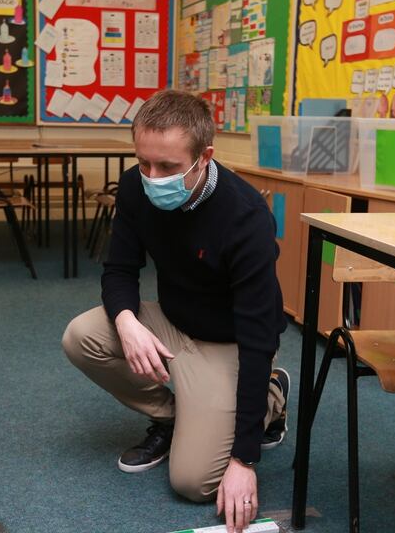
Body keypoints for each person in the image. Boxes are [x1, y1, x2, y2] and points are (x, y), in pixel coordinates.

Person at [62, 90, 289, 533]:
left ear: (204, 157)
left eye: (167, 167)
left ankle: (272, 396)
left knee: (193, 483)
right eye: (144, 162)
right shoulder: (134, 187)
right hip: (171, 322)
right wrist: (127, 322)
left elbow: (259, 336)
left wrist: (244, 458)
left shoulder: (245, 218)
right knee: (80, 335)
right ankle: (173, 418)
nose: (152, 176)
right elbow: (119, 270)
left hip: (230, 343)